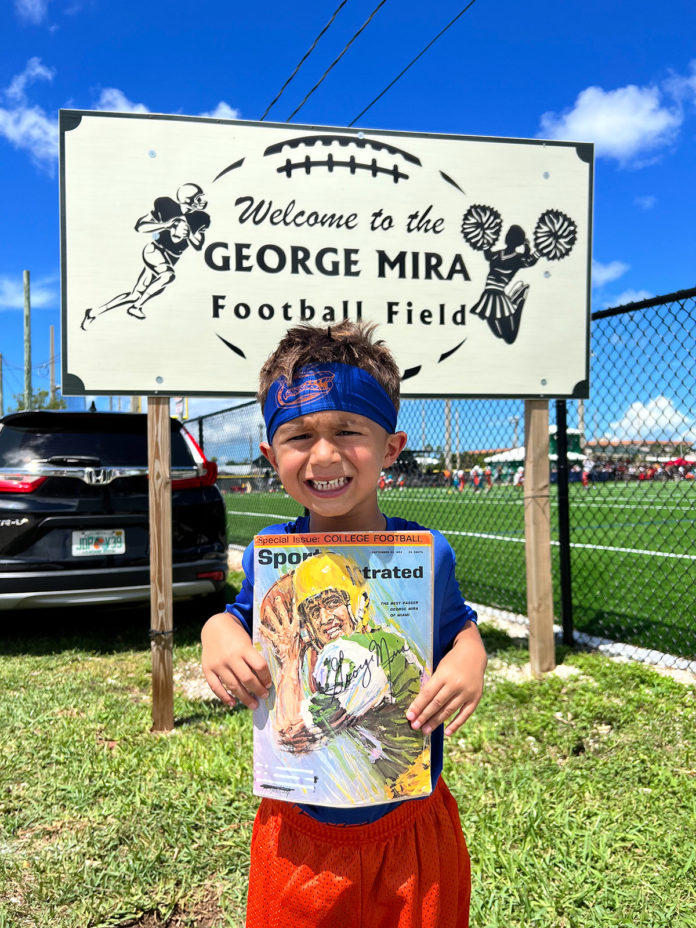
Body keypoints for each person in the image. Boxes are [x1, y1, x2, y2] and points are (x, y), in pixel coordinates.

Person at [201, 321, 487, 928]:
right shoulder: (269, 554)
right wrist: (215, 633)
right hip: (297, 829)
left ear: (390, 447)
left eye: (348, 431)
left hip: (408, 826)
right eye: (299, 435)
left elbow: (459, 631)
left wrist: (468, 658)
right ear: (270, 454)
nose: (324, 455)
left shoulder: (425, 553)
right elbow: (237, 618)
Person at [259, 552, 429, 802]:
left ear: (358, 602)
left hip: (410, 790)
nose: (325, 618)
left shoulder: (353, 654)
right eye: (313, 610)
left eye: (332, 602)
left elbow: (291, 735)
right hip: (405, 786)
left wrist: (289, 657)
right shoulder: (383, 640)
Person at [80, 183, 210, 328]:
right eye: (198, 198)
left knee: (135, 294)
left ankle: (94, 312)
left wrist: (188, 233)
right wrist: (166, 225)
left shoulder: (201, 218)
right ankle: (136, 307)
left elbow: (198, 244)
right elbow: (140, 226)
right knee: (168, 275)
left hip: (172, 258)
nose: (202, 201)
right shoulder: (166, 205)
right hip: (155, 251)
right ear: (187, 199)